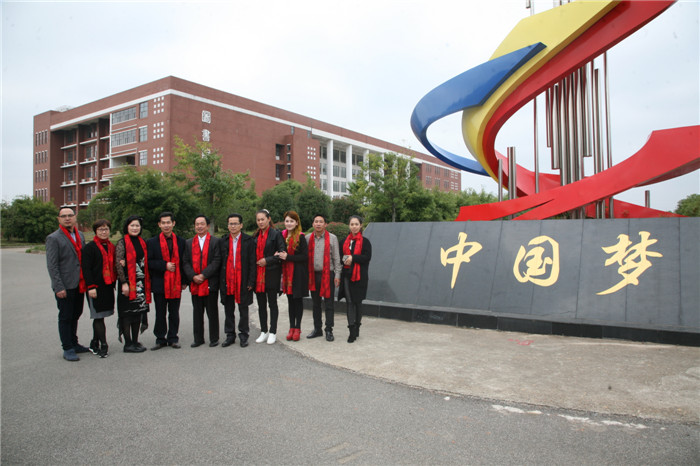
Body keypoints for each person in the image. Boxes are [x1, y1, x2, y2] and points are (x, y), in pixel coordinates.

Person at [46, 207, 88, 361]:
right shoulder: (54, 238)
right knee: (65, 317)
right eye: (64, 216)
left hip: (79, 283)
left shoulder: (80, 235)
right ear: (59, 219)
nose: (67, 218)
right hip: (65, 285)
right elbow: (52, 265)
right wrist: (59, 287)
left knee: (76, 314)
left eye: (70, 215)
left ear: (75, 217)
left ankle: (74, 343)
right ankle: (67, 347)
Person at [147, 212, 187, 350]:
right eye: (163, 223)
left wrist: (184, 281)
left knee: (174, 312)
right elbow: (149, 262)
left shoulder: (181, 242)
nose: (166, 225)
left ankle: (173, 338)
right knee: (160, 313)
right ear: (159, 224)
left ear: (173, 223)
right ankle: (160, 338)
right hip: (160, 282)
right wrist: (164, 265)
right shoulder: (152, 242)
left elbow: (184, 262)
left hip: (176, 283)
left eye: (168, 222)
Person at [183, 215, 222, 348]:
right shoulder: (188, 243)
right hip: (195, 283)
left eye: (202, 224)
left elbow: (217, 260)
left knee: (212, 312)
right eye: (197, 224)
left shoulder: (215, 242)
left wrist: (204, 275)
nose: (199, 226)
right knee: (197, 312)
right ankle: (198, 338)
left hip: (210, 282)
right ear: (194, 226)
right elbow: (185, 262)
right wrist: (193, 276)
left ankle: (214, 338)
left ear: (207, 226)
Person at [219, 213, 256, 348]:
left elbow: (252, 262)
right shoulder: (223, 241)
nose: (233, 226)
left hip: (243, 280)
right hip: (228, 280)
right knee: (228, 309)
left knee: (243, 309)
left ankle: (244, 335)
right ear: (228, 225)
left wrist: (251, 281)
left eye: (235, 223)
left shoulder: (249, 241)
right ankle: (230, 335)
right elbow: (220, 262)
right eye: (230, 224)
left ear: (241, 225)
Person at [116, 215, 151, 353]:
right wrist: (123, 283)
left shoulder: (142, 242)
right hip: (127, 283)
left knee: (138, 313)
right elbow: (118, 264)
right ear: (127, 227)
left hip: (140, 284)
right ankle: (128, 343)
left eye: (137, 225)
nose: (135, 228)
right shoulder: (122, 243)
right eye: (132, 225)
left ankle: (135, 341)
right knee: (127, 314)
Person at [81, 219, 116, 358]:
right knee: (98, 316)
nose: (103, 232)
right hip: (95, 287)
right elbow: (86, 269)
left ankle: (94, 342)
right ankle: (104, 345)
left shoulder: (111, 247)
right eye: (100, 229)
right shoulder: (89, 248)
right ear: (95, 231)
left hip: (107, 286)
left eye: (106, 229)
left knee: (102, 315)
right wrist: (91, 286)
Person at [306, 214, 341, 342]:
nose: (318, 224)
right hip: (313, 275)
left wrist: (337, 275)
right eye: (316, 221)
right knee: (316, 304)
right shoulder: (307, 238)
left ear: (325, 224)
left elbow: (336, 258)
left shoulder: (332, 238)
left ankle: (329, 329)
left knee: (329, 303)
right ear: (313, 224)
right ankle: (317, 329)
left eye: (321, 221)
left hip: (328, 275)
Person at [337, 215, 372, 343]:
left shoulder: (365, 242)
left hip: (360, 277)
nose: (354, 227)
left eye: (356, 224)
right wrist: (345, 259)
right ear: (349, 226)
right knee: (350, 302)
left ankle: (357, 326)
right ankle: (351, 331)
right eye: (352, 224)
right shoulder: (343, 242)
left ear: (361, 225)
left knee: (358, 302)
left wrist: (353, 258)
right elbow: (340, 257)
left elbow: (367, 257)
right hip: (346, 276)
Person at [253, 209, 285, 344]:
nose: (260, 222)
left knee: (272, 304)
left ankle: (273, 331)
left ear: (269, 219)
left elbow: (282, 253)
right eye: (258, 220)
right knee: (261, 305)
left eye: (263, 219)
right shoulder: (256, 236)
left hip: (272, 273)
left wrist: (267, 260)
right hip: (258, 276)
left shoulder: (276, 234)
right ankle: (264, 331)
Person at [277, 211, 308, 342]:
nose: (289, 223)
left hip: (298, 274)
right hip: (286, 274)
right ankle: (291, 327)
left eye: (292, 221)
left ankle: (297, 328)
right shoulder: (281, 236)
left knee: (297, 301)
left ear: (296, 223)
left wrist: (288, 257)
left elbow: (304, 257)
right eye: (287, 221)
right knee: (290, 302)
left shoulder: (301, 237)